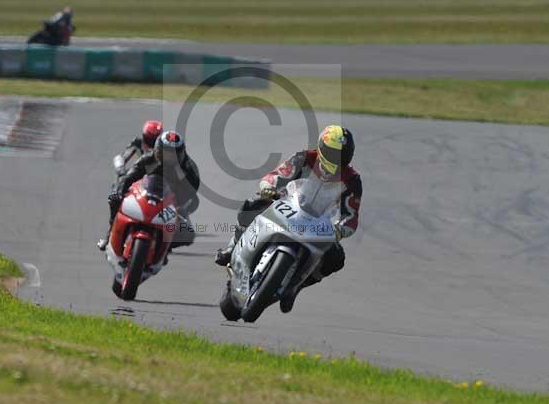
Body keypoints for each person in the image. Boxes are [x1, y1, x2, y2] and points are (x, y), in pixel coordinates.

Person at [214, 125, 362, 313]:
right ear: (322, 148)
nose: (336, 159)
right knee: (252, 205)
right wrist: (269, 187)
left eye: (342, 155)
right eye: (333, 153)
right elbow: (279, 175)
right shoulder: (305, 158)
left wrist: (340, 229)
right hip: (289, 206)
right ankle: (232, 247)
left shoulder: (352, 180)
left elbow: (351, 214)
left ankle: (296, 287)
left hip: (320, 224)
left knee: (336, 258)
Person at [98, 130, 201, 252]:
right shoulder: (148, 159)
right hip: (144, 194)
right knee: (114, 199)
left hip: (170, 202)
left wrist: (181, 208)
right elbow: (128, 178)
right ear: (158, 150)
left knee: (187, 235)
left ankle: (162, 247)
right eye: (165, 153)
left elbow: (192, 195)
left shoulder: (188, 168)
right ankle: (110, 235)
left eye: (173, 154)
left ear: (181, 153)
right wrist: (119, 192)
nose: (169, 157)